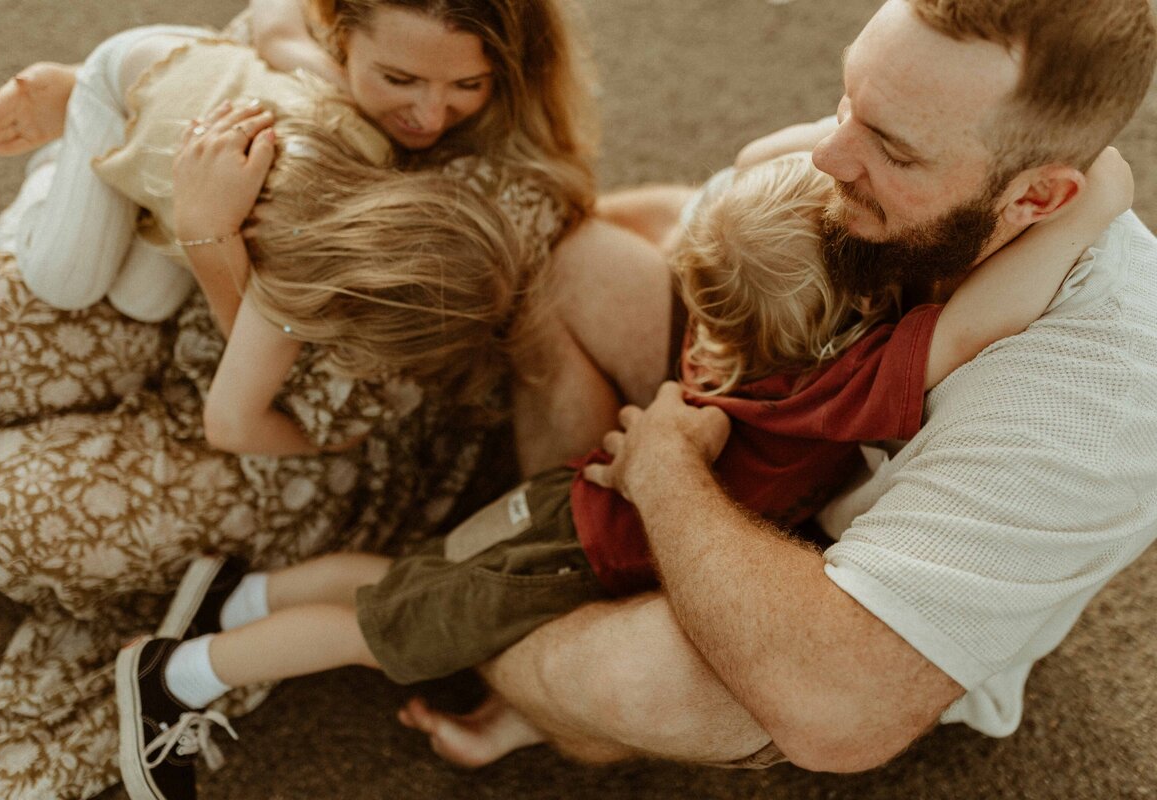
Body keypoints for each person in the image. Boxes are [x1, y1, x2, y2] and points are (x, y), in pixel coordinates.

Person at [113, 145, 1128, 800]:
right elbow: (993, 311)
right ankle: (177, 675)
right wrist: (1100, 195)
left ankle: (233, 595)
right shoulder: (836, 389)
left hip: (560, 507)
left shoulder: (711, 348)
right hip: (583, 550)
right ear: (854, 318)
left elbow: (723, 201)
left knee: (411, 579)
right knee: (381, 631)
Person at [382, 0, 1157, 774]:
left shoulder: (1093, 401)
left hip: (847, 613)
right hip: (763, 440)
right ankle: (550, 574)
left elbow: (841, 716)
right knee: (575, 266)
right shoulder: (891, 156)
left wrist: (662, 469)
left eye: (890, 145)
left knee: (627, 681)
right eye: (850, 98)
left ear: (1039, 200)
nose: (826, 154)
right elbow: (704, 220)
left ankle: (488, 632)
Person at [0, 2, 605, 798]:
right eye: (396, 78)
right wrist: (98, 94)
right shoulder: (309, 58)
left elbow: (306, 406)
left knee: (21, 514)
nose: (429, 114)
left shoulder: (492, 198)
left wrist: (210, 236)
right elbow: (234, 44)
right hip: (190, 323)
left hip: (307, 435)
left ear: (511, 71)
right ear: (341, 40)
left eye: (466, 84)